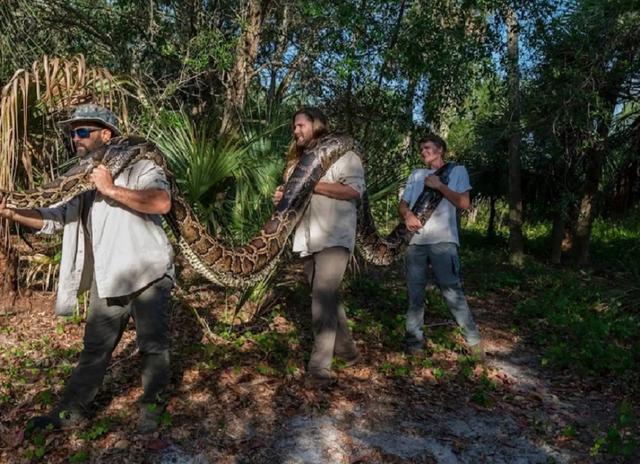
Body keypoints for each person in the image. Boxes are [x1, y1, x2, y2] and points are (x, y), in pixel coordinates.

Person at [0, 103, 174, 433]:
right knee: (94, 350)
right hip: (108, 276)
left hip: (148, 271)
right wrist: (12, 212)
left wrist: (109, 188)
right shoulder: (76, 178)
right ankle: (69, 412)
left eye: (82, 131)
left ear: (106, 134)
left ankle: (153, 404)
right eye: (72, 133)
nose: (75, 138)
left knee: (153, 346)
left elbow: (161, 202)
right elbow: (52, 220)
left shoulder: (140, 164)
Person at [273, 107, 363, 387]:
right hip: (307, 237)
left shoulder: (345, 155)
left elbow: (354, 192)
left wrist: (312, 185)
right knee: (325, 295)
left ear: (317, 125)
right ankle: (348, 351)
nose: (295, 130)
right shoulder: (296, 164)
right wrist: (283, 196)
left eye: (300, 125)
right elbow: (293, 199)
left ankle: (319, 368)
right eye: (294, 126)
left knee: (321, 295)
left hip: (335, 236)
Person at [399, 134, 483, 358]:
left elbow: (464, 203)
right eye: (421, 149)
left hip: (443, 242)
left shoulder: (456, 171)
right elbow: (403, 203)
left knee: (452, 292)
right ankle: (414, 344)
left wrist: (439, 186)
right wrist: (407, 215)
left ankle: (474, 345)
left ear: (440, 149)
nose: (423, 152)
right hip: (415, 242)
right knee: (414, 295)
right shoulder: (416, 174)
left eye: (427, 147)